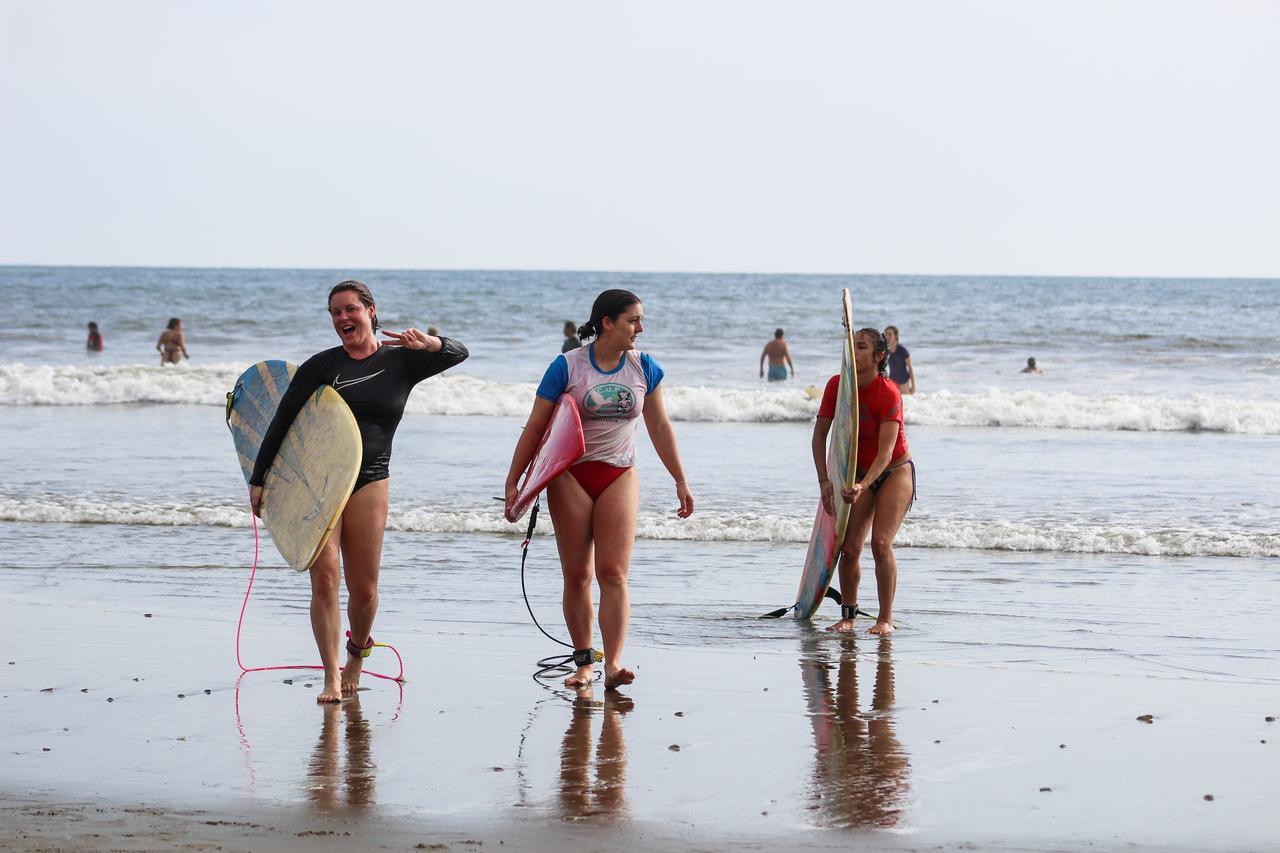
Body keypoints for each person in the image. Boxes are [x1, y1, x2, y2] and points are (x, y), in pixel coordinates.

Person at [249, 280, 468, 703]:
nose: (343, 318)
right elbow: (282, 422)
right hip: (319, 484)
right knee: (325, 577)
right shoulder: (321, 367)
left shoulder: (403, 362)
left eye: (350, 309)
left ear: (370, 310)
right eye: (335, 312)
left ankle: (356, 654)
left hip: (370, 478)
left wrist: (429, 344)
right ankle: (331, 676)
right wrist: (259, 479)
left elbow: (460, 353)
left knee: (364, 590)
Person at [505, 289, 693, 691]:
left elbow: (659, 427)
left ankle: (614, 665)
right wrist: (514, 481)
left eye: (640, 321)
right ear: (608, 323)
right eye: (632, 320)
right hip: (571, 474)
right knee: (577, 576)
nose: (639, 328)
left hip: (619, 474)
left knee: (614, 573)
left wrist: (680, 480)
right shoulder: (567, 367)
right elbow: (536, 426)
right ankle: (585, 662)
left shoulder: (645, 368)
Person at [813, 328, 914, 635]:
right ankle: (848, 616)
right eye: (851, 345)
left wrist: (864, 485)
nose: (853, 351)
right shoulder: (837, 385)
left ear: (878, 356)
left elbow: (885, 453)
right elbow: (819, 436)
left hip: (894, 471)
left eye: (861, 347)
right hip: (856, 473)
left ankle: (885, 618)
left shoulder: (888, 392)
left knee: (881, 544)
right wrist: (825, 481)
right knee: (849, 548)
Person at [883, 326, 915, 394]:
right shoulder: (886, 351)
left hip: (904, 382)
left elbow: (910, 368)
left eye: (890, 334)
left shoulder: (903, 351)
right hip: (892, 381)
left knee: (905, 403)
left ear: (895, 336)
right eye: (886, 334)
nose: (887, 336)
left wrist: (913, 385)